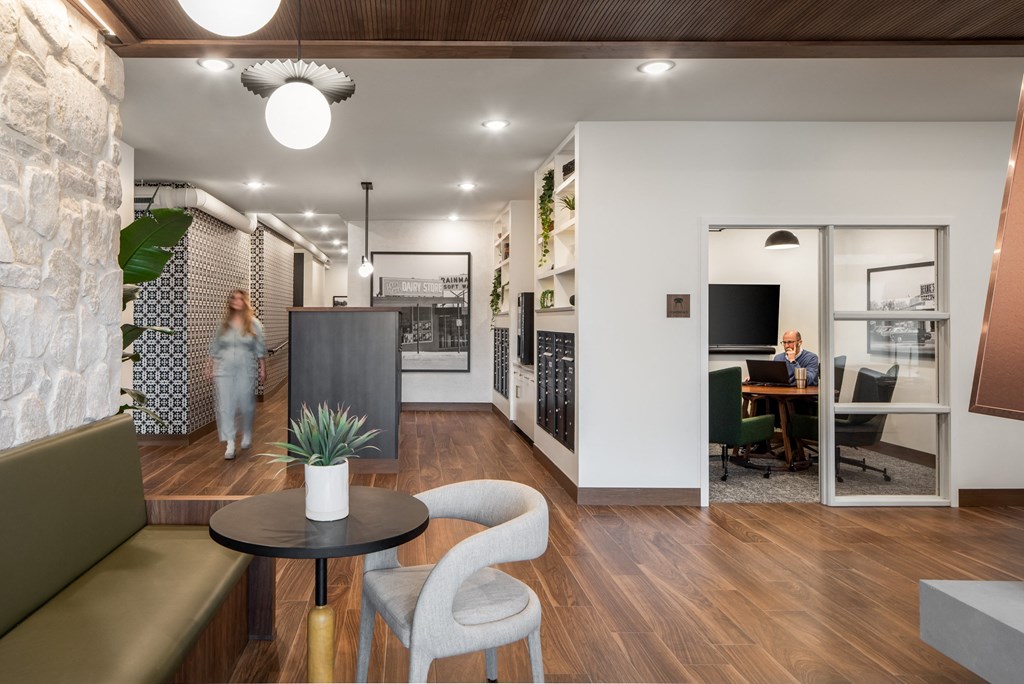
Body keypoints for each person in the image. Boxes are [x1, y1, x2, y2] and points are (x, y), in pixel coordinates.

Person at [207, 289, 266, 459]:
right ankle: (230, 443)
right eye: (233, 298)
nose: (236, 301)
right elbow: (215, 347)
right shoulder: (223, 324)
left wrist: (263, 368)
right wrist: (210, 367)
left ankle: (247, 432)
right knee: (226, 406)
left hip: (246, 368)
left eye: (240, 299)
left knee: (246, 404)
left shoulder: (254, 324)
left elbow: (260, 348)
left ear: (245, 302)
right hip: (224, 369)